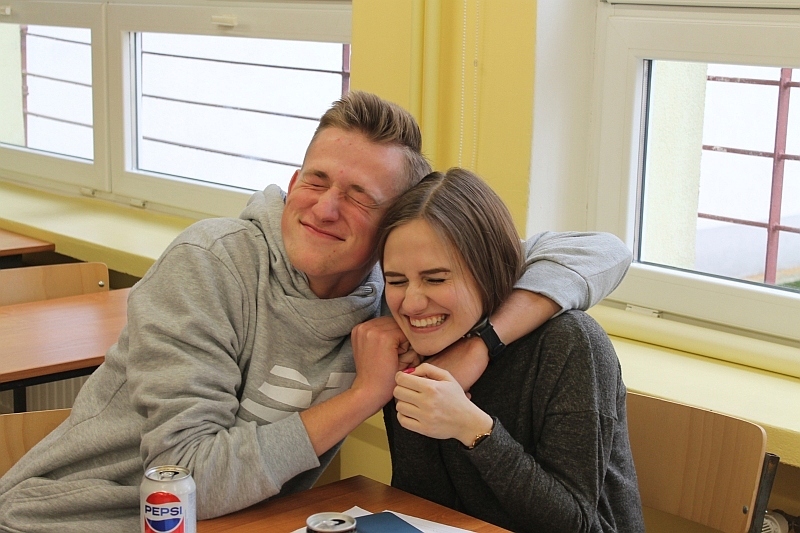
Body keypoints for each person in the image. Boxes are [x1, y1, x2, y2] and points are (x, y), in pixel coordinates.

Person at [0, 92, 631, 532]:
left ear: (395, 228)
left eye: (359, 196)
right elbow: (187, 482)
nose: (325, 208)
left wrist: (479, 346)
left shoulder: (404, 294)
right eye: (316, 180)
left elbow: (599, 250)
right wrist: (364, 395)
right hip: (69, 519)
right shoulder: (212, 262)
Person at [365, 168, 644, 532]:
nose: (412, 303)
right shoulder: (411, 342)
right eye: (397, 280)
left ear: (488, 270)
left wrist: (472, 428)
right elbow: (422, 506)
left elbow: (572, 524)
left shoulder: (569, 343)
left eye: (436, 278)